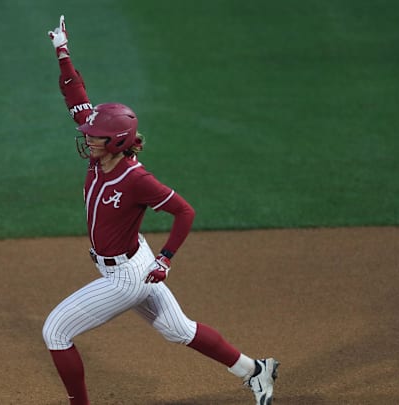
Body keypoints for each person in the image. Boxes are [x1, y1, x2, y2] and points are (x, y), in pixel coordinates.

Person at [42, 15, 279, 405]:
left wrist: (166, 259)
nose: (87, 138)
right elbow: (76, 96)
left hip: (130, 277)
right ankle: (256, 371)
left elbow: (185, 211)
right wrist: (62, 51)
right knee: (178, 330)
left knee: (55, 331)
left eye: (95, 136)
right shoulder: (99, 157)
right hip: (129, 263)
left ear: (117, 141)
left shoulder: (137, 179)